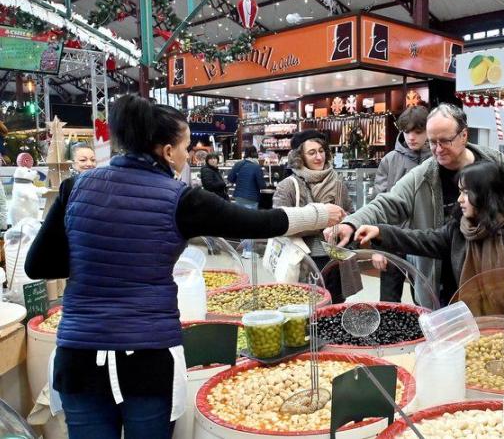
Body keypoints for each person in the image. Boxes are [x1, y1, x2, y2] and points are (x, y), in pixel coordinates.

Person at [24, 94, 345, 439]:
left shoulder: (75, 188)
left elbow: (39, 264)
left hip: (79, 354)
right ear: (166, 151)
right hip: (146, 357)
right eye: (185, 146)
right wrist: (319, 213)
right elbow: (256, 223)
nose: (186, 154)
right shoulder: (180, 198)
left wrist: (98, 256)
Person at [325, 103, 504, 307]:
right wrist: (352, 223)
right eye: (432, 142)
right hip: (442, 281)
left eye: (445, 141)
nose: (438, 149)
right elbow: (387, 203)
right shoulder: (423, 175)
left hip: (497, 273)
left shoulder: (496, 163)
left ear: (464, 135)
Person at [355, 161, 504, 315]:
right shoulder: (461, 230)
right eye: (460, 191)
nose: (460, 199)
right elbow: (424, 240)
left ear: (487, 194)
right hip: (475, 330)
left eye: (466, 192)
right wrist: (381, 231)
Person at [273, 129, 353, 303]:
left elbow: (351, 214)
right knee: (308, 309)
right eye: (312, 152)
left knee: (335, 306)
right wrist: (321, 220)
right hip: (303, 261)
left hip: (334, 259)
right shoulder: (288, 186)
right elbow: (279, 223)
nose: (319, 157)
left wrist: (344, 223)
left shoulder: (338, 183)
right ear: (300, 157)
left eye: (321, 151)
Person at [372, 106, 431, 302]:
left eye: (418, 131)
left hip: (425, 240)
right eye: (406, 131)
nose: (411, 137)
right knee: (389, 301)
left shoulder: (438, 158)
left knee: (424, 301)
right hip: (392, 239)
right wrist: (378, 248)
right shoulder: (390, 160)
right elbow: (379, 205)